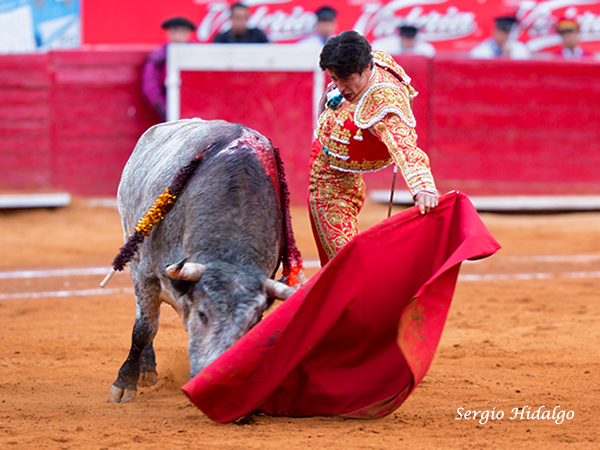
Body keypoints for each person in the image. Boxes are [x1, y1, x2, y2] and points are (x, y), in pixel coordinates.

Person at [309, 30, 439, 265]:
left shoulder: (383, 104)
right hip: (329, 173)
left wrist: (423, 188)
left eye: (346, 79)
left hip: (340, 164)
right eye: (334, 78)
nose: (339, 87)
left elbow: (404, 146)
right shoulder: (373, 58)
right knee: (344, 262)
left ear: (366, 68)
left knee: (344, 266)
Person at [141, 17, 196, 121]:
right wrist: (167, 112)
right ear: (169, 33)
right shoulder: (158, 57)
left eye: (182, 30)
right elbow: (151, 88)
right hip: (169, 107)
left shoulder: (201, 53)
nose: (179, 34)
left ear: (189, 33)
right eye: (175, 30)